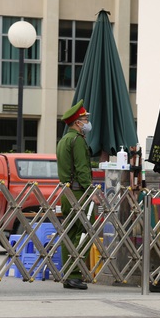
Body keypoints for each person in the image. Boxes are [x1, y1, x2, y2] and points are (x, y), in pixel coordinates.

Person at [56, 99, 99, 290]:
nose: (87, 122)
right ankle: (75, 273)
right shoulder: (77, 141)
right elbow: (82, 170)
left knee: (70, 233)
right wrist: (91, 191)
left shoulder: (64, 140)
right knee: (86, 232)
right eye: (85, 118)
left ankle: (68, 273)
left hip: (67, 192)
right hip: (79, 193)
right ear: (77, 122)